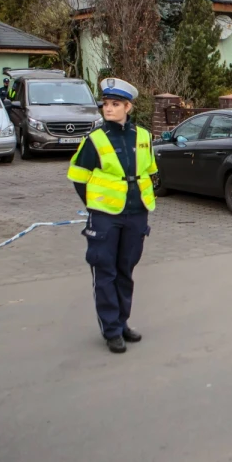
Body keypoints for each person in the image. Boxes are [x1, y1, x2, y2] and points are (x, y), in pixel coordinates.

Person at [67, 77, 158, 353]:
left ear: (128, 107)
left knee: (125, 271)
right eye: (106, 104)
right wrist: (96, 205)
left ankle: (122, 322)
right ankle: (111, 330)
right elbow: (78, 177)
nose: (108, 109)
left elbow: (150, 171)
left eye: (115, 104)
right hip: (105, 217)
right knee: (104, 272)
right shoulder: (95, 139)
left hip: (136, 214)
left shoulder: (143, 137)